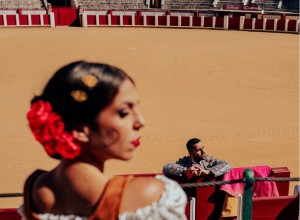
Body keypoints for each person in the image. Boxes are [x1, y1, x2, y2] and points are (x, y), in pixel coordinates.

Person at [19, 61, 187, 220]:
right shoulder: (148, 196)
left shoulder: (36, 188)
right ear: (80, 129)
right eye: (123, 112)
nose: (140, 121)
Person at [163, 138, 231, 179]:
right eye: (199, 150)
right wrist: (186, 170)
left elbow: (227, 165)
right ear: (191, 153)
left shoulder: (209, 161)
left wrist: (208, 171)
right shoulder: (185, 162)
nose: (203, 151)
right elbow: (166, 167)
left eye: (203, 148)